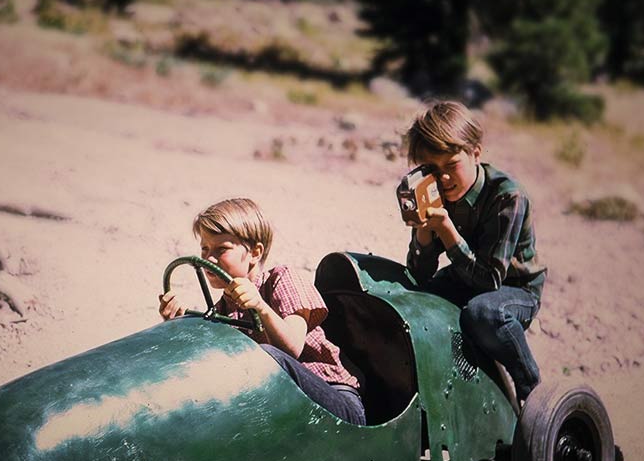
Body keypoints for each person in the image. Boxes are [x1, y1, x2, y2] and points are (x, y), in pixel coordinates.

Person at [159, 198, 366, 426]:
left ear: (255, 253)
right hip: (287, 408)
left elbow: (291, 349)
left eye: (222, 249)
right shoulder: (221, 309)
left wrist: (260, 306)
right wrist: (178, 326)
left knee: (266, 357)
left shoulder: (282, 279)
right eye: (205, 248)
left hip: (338, 405)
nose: (208, 258)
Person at [403, 101, 547, 403]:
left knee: (483, 313)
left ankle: (533, 395)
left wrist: (447, 230)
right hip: (465, 277)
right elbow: (418, 273)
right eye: (433, 169)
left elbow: (489, 280)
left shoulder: (507, 196)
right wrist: (425, 231)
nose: (443, 179)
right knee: (410, 302)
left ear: (475, 153)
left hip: (514, 289)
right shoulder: (440, 193)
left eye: (451, 165)